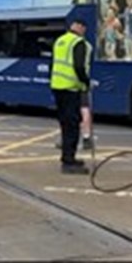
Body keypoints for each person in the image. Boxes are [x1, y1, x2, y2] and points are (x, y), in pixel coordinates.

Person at [50, 19, 94, 174]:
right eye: (84, 29)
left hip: (57, 87)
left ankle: (67, 157)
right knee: (72, 126)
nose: (84, 32)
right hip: (71, 89)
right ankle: (69, 161)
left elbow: (52, 64)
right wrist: (86, 82)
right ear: (80, 27)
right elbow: (79, 66)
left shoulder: (60, 41)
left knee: (65, 124)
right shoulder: (78, 43)